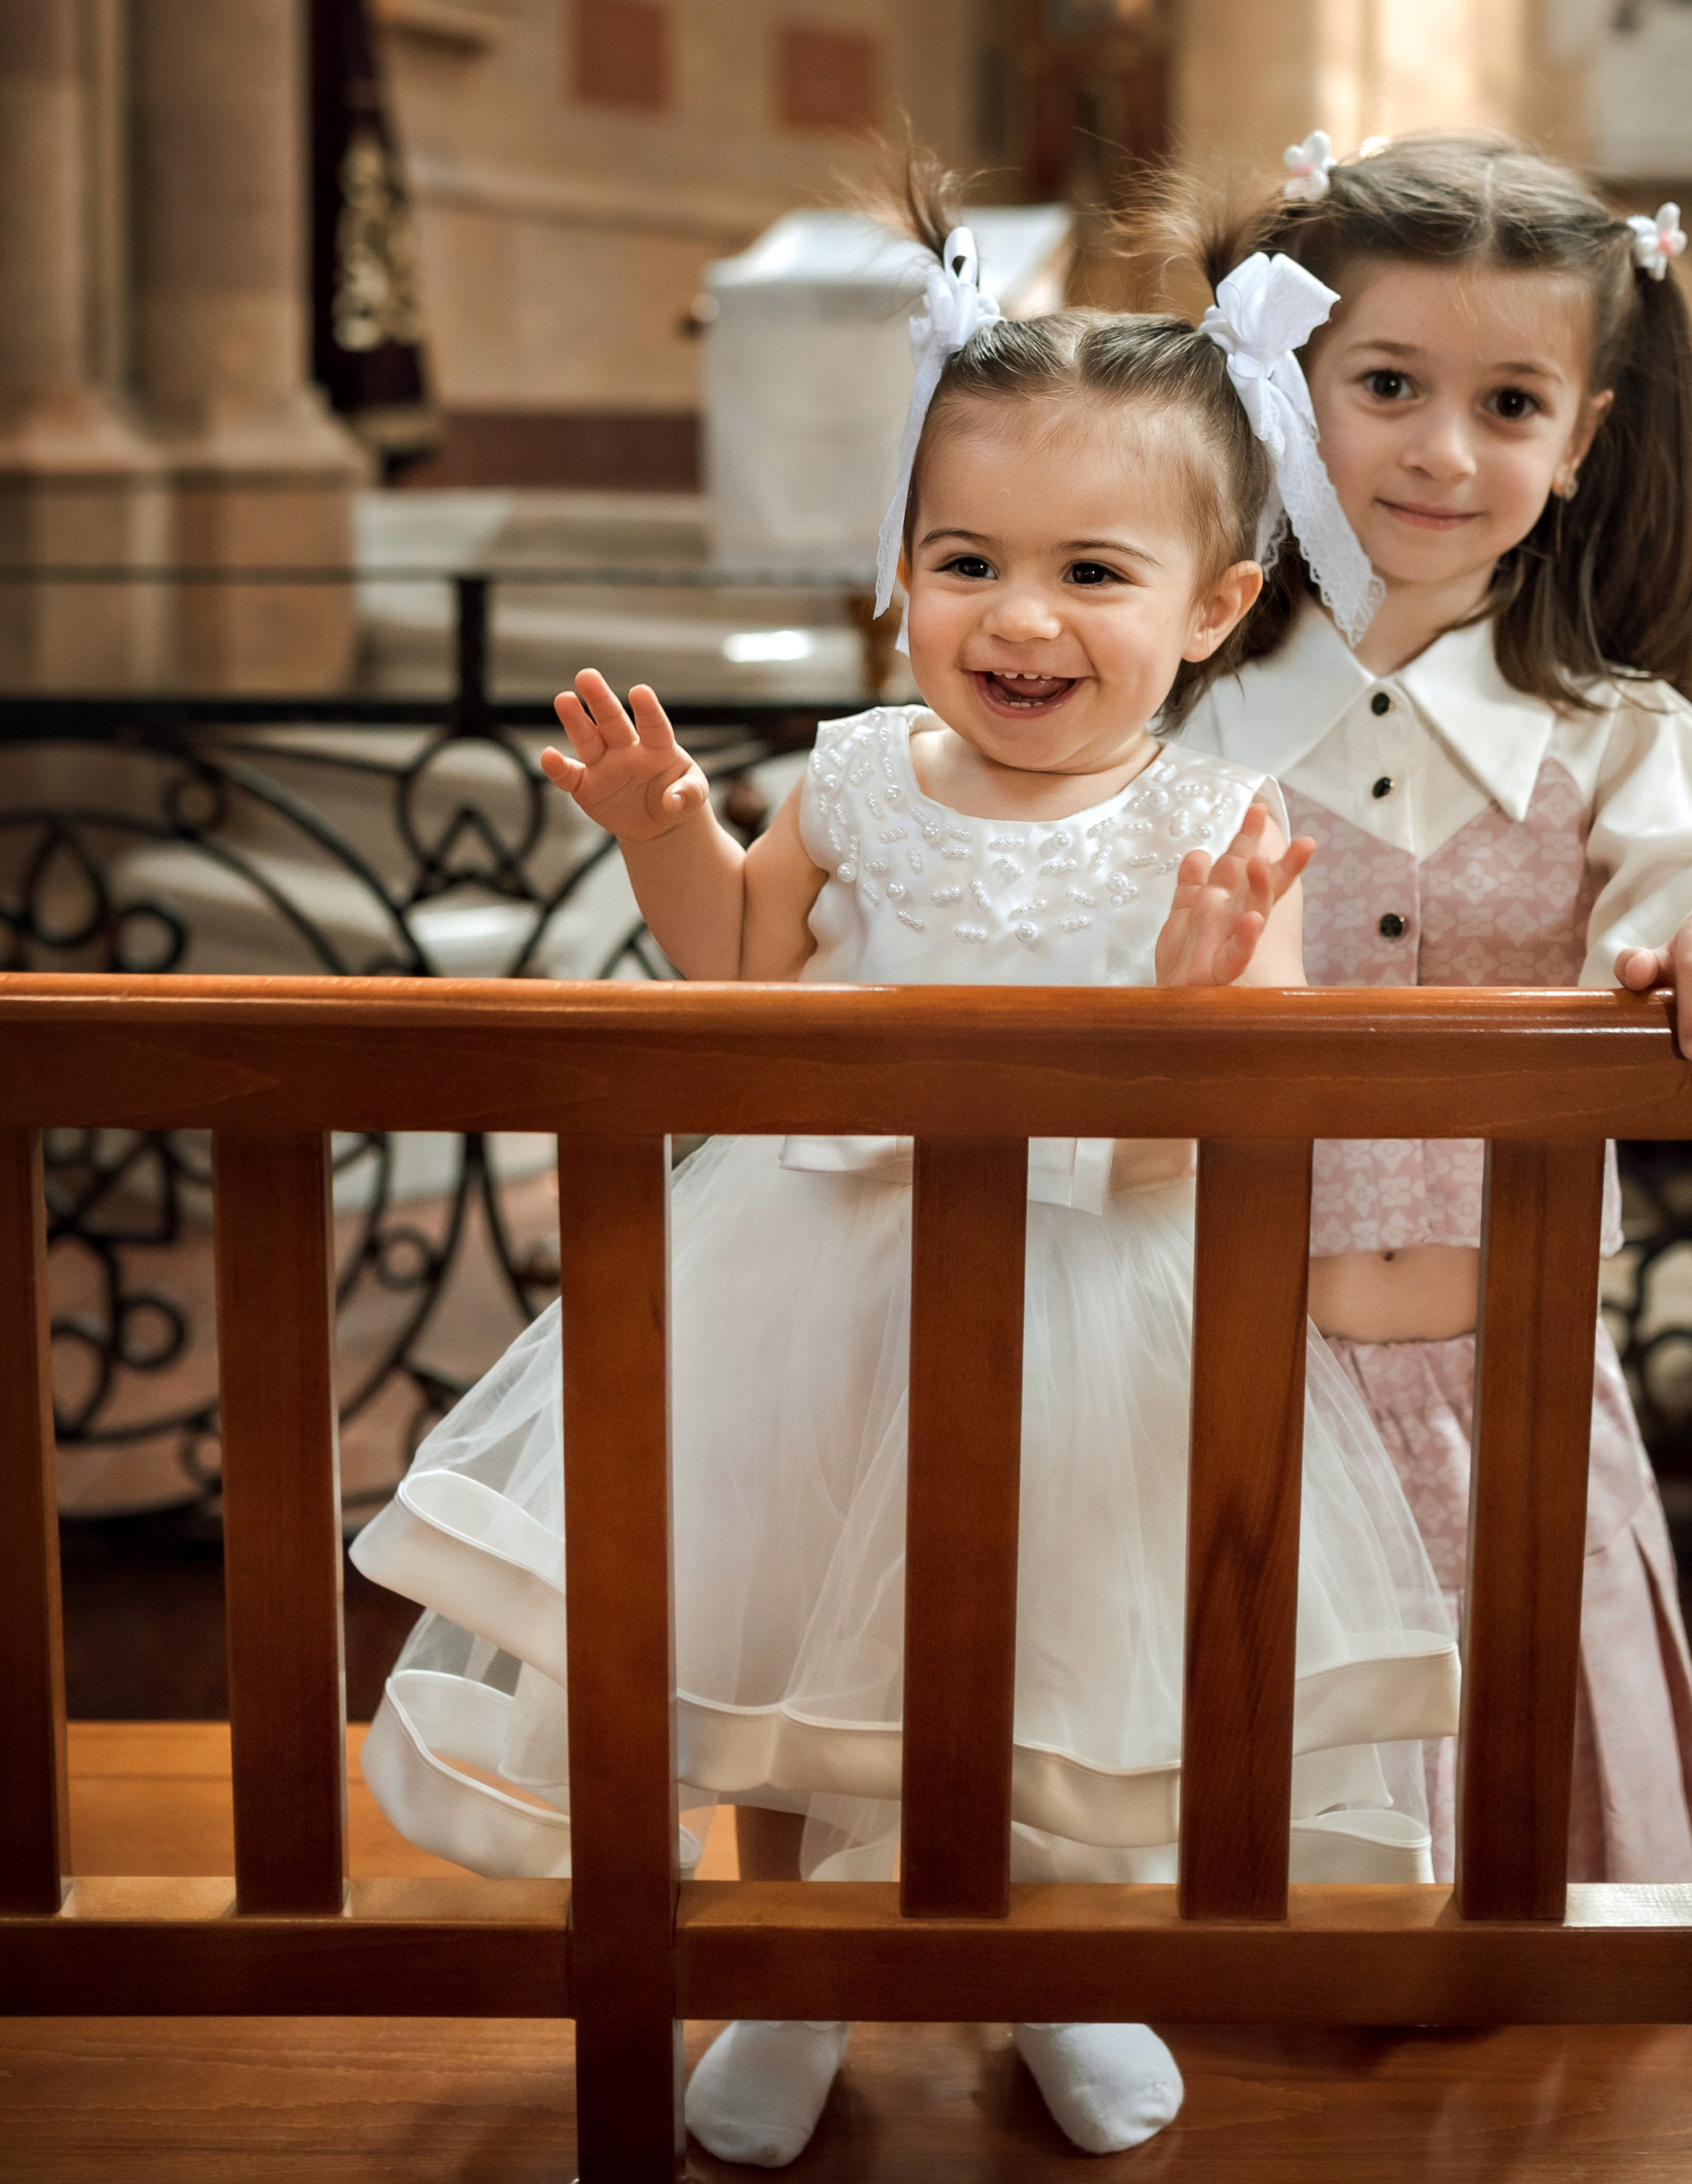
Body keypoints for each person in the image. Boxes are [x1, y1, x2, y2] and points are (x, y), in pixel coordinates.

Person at [350, 167, 1459, 2166]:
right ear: (899, 569)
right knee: (772, 1639)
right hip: (817, 1267)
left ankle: (1053, 1967)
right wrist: (664, 832)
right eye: (967, 557)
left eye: (1093, 574)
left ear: (1212, 605)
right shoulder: (855, 769)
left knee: (1059, 1652)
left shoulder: (1219, 827)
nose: (1018, 618)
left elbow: (1216, 1141)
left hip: (1086, 1298)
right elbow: (746, 998)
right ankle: (785, 1973)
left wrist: (1200, 991)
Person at [1180, 130, 1692, 1886]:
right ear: (1279, 393)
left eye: (1505, 403)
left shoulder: (1614, 741)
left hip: (1516, 1391)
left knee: (1515, 1904)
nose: (1436, 448)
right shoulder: (1162, 727)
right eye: (1385, 382)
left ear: (1578, 443)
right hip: (1202, 1389)